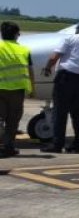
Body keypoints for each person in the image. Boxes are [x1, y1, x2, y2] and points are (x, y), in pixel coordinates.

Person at [41, 24, 79, 153]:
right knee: (76, 112)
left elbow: (55, 56)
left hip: (66, 78)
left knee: (60, 112)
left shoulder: (70, 39)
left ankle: (57, 144)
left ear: (77, 32)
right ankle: (78, 144)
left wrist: (48, 67)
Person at [0, 21, 35, 157]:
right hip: (17, 91)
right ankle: (8, 147)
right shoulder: (24, 50)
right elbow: (30, 71)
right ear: (16, 35)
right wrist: (32, 89)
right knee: (13, 121)